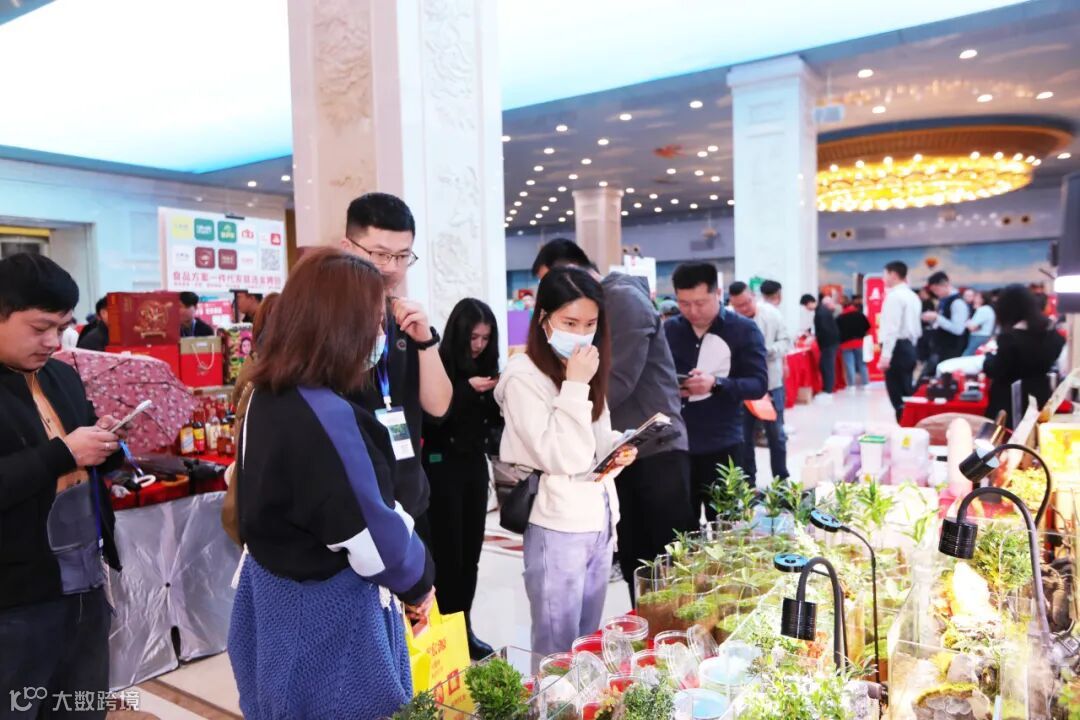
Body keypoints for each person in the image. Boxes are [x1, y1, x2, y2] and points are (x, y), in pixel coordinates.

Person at [229, 248, 435, 719]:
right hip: (327, 618)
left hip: (274, 595)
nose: (381, 335)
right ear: (340, 328)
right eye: (375, 323)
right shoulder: (328, 415)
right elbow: (377, 538)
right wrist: (419, 581)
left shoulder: (266, 394)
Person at [532, 240, 695, 600]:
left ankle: (677, 636)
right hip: (625, 453)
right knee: (641, 567)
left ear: (572, 272)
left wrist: (562, 409)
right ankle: (652, 634)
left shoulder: (621, 300)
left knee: (668, 569)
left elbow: (615, 381)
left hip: (655, 452)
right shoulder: (602, 305)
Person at [0, 254, 126, 718]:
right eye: (40, 328)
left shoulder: (62, 375)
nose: (54, 342)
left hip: (84, 582)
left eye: (63, 327)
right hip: (14, 599)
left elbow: (85, 453)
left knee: (81, 704)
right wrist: (65, 453)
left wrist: (107, 443)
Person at [494, 267, 637, 656]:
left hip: (599, 516)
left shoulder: (583, 366)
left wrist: (619, 447)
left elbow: (596, 438)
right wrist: (575, 385)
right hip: (556, 522)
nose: (581, 333)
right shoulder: (523, 376)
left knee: (587, 639)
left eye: (590, 324)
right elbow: (562, 456)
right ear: (544, 318)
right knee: (556, 647)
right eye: (569, 322)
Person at [340, 192, 453, 539]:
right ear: (347, 248)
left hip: (409, 501)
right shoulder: (327, 322)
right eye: (380, 254)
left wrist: (425, 341)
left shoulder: (406, 320)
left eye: (402, 256)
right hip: (350, 506)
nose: (391, 267)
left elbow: (439, 407)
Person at [421, 298, 502, 660]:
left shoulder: (488, 367)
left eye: (486, 338)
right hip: (441, 469)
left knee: (470, 555)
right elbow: (433, 419)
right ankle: (444, 634)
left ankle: (463, 628)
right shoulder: (437, 363)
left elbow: (491, 425)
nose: (479, 345)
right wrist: (467, 391)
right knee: (446, 556)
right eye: (474, 337)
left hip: (473, 468)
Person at [666, 263, 767, 520]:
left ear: (718, 293)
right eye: (684, 303)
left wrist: (716, 384)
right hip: (678, 446)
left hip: (723, 445)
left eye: (700, 303)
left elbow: (758, 384)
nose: (692, 311)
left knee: (726, 525)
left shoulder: (743, 330)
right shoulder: (669, 330)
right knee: (681, 528)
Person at [728, 281, 791, 482]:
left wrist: (769, 351)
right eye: (739, 306)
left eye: (747, 302)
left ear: (753, 296)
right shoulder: (728, 319)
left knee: (776, 435)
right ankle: (749, 482)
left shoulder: (771, 314)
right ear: (732, 304)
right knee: (743, 437)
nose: (745, 308)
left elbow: (786, 341)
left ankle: (781, 480)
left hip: (771, 384)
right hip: (742, 387)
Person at [982, 284, 1065, 428]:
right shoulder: (1051, 333)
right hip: (1041, 394)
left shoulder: (1010, 338)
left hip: (1011, 401)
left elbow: (998, 370)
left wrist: (987, 359)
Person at [878, 261, 923, 422]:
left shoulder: (894, 297)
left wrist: (886, 356)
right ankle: (910, 425)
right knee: (907, 391)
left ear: (893, 275)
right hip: (909, 347)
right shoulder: (913, 296)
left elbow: (892, 329)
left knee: (898, 396)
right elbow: (916, 328)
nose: (883, 278)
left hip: (897, 349)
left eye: (885, 274)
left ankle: (906, 427)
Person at [921, 271, 970, 375]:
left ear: (945, 284)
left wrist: (937, 317)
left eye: (936, 290)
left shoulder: (957, 303)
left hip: (952, 350)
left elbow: (958, 329)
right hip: (942, 348)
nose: (935, 293)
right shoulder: (944, 301)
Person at [802, 293, 841, 395]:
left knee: (827, 366)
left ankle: (828, 390)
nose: (806, 308)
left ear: (809, 303)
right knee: (825, 365)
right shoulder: (821, 310)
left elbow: (824, 329)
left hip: (828, 343)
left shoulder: (821, 313)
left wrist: (813, 337)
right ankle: (827, 388)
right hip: (829, 343)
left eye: (805, 306)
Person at [837, 297, 871, 388]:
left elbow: (837, 332)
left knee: (849, 365)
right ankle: (866, 383)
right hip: (859, 342)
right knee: (862, 364)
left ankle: (851, 384)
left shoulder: (840, 317)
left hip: (845, 344)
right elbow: (868, 327)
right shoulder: (860, 315)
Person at [964, 290, 996, 356]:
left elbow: (972, 327)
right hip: (984, 336)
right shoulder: (988, 309)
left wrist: (965, 322)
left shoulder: (983, 309)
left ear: (983, 299)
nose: (974, 299)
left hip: (978, 337)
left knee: (967, 356)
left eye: (977, 297)